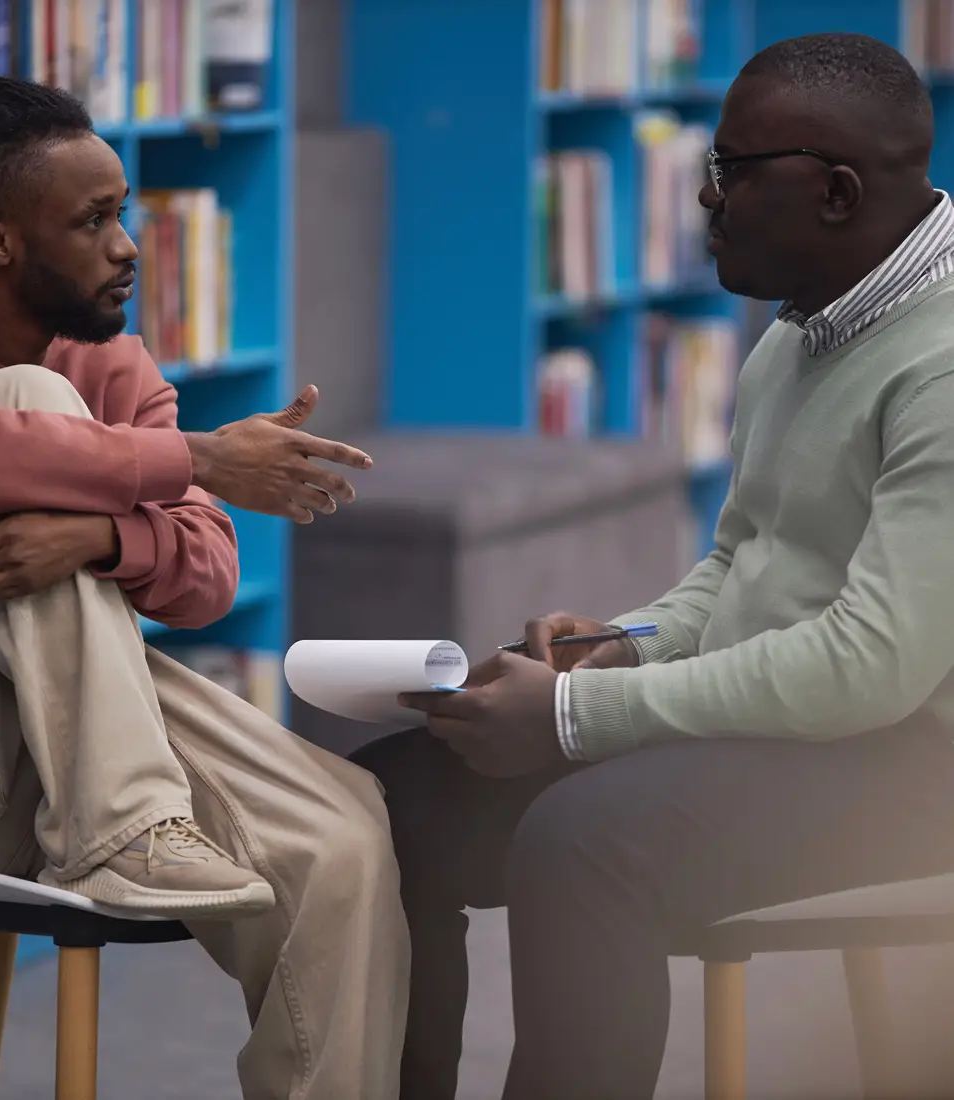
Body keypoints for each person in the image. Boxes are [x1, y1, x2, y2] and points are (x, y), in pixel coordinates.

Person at [352, 31, 954, 1100]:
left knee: (583, 844)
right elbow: (739, 560)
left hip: (912, 761)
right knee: (390, 801)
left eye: (726, 170)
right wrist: (614, 648)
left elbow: (875, 664)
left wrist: (574, 719)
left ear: (834, 191)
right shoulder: (799, 333)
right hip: (785, 728)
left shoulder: (940, 363)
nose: (702, 201)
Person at [0, 77, 408, 1100]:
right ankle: (124, 830)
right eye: (94, 219)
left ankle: (133, 829)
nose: (126, 246)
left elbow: (207, 574)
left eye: (128, 216)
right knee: (25, 401)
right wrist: (189, 459)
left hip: (73, 742)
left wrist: (97, 534)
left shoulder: (117, 364)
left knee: (343, 830)